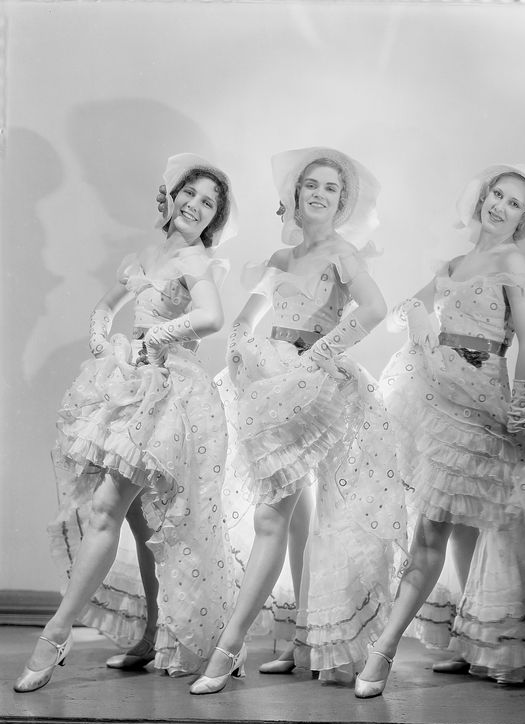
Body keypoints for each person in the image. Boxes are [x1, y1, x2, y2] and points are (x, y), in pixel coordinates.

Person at [354, 164, 525, 698]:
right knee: (452, 525)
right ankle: (471, 642)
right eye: (497, 195)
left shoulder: (512, 260)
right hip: (438, 394)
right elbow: (405, 312)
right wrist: (414, 316)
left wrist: (522, 405)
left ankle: (383, 652)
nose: (501, 207)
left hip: (482, 397)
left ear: (524, 218)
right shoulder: (455, 264)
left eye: (514, 204)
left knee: (437, 531)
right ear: (482, 197)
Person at [188, 146, 407, 695]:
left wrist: (320, 355)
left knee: (273, 517)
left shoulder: (342, 253)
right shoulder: (282, 261)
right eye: (311, 183)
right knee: (294, 511)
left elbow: (376, 310)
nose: (318, 193)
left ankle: (229, 645)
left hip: (317, 387)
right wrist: (242, 351)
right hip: (273, 384)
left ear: (343, 202)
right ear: (294, 192)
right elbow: (246, 320)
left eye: (331, 188)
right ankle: (300, 639)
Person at [14, 154, 237, 692]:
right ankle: (152, 634)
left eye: (208, 203)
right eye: (190, 193)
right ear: (172, 194)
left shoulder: (197, 263)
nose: (195, 205)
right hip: (130, 387)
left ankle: (56, 633)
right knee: (137, 523)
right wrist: (102, 342)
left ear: (213, 220)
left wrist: (150, 341)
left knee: (107, 510)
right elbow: (104, 307)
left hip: (167, 394)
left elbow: (211, 318)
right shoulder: (146, 256)